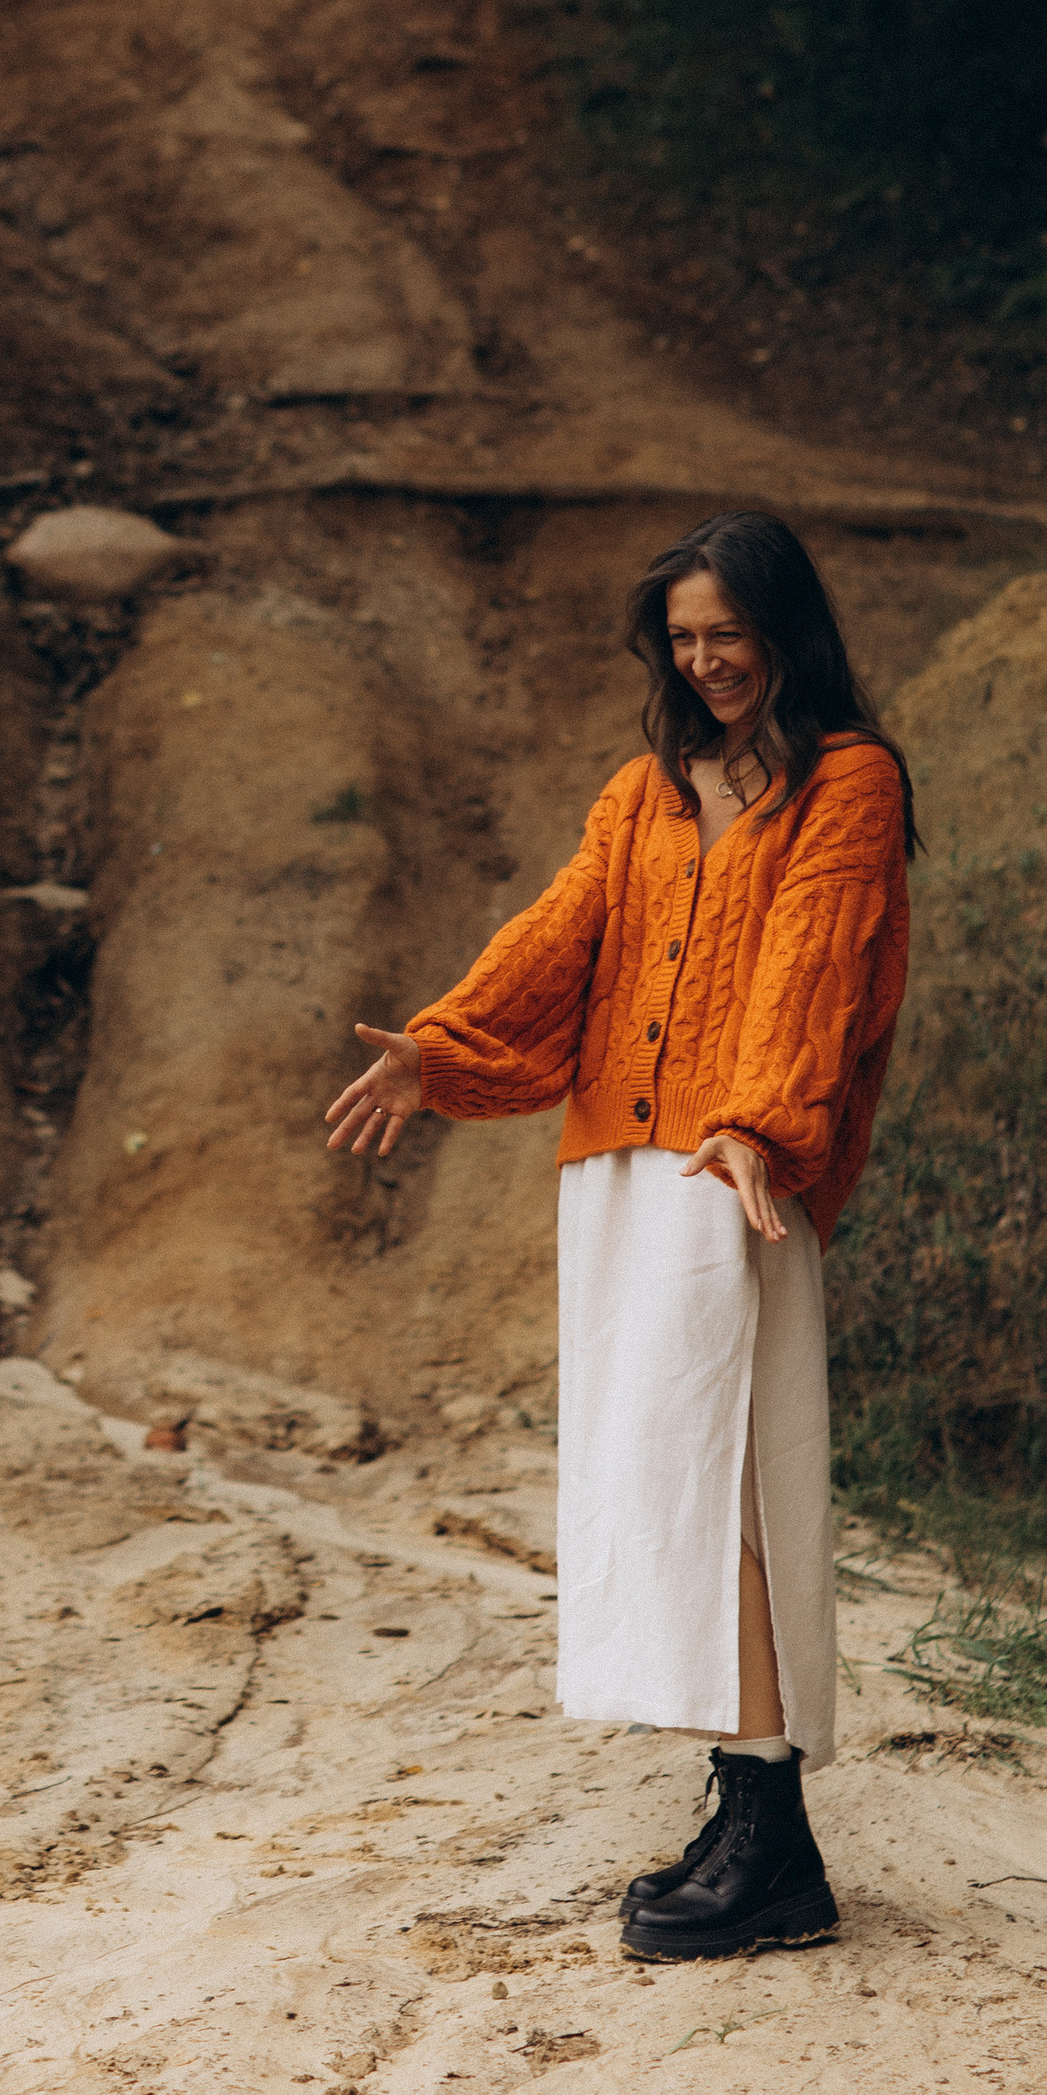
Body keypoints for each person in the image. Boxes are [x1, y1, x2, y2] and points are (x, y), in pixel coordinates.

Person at [326, 508, 915, 1960]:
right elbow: (561, 931)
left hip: (734, 1175)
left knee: (733, 1492)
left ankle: (775, 1843)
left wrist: (762, 1125)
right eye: (685, 638)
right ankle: (742, 1801)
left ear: (787, 629)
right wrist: (440, 1047)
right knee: (660, 1483)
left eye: (730, 632)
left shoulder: (850, 782)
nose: (708, 660)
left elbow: (817, 965)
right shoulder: (645, 791)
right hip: (623, 1166)